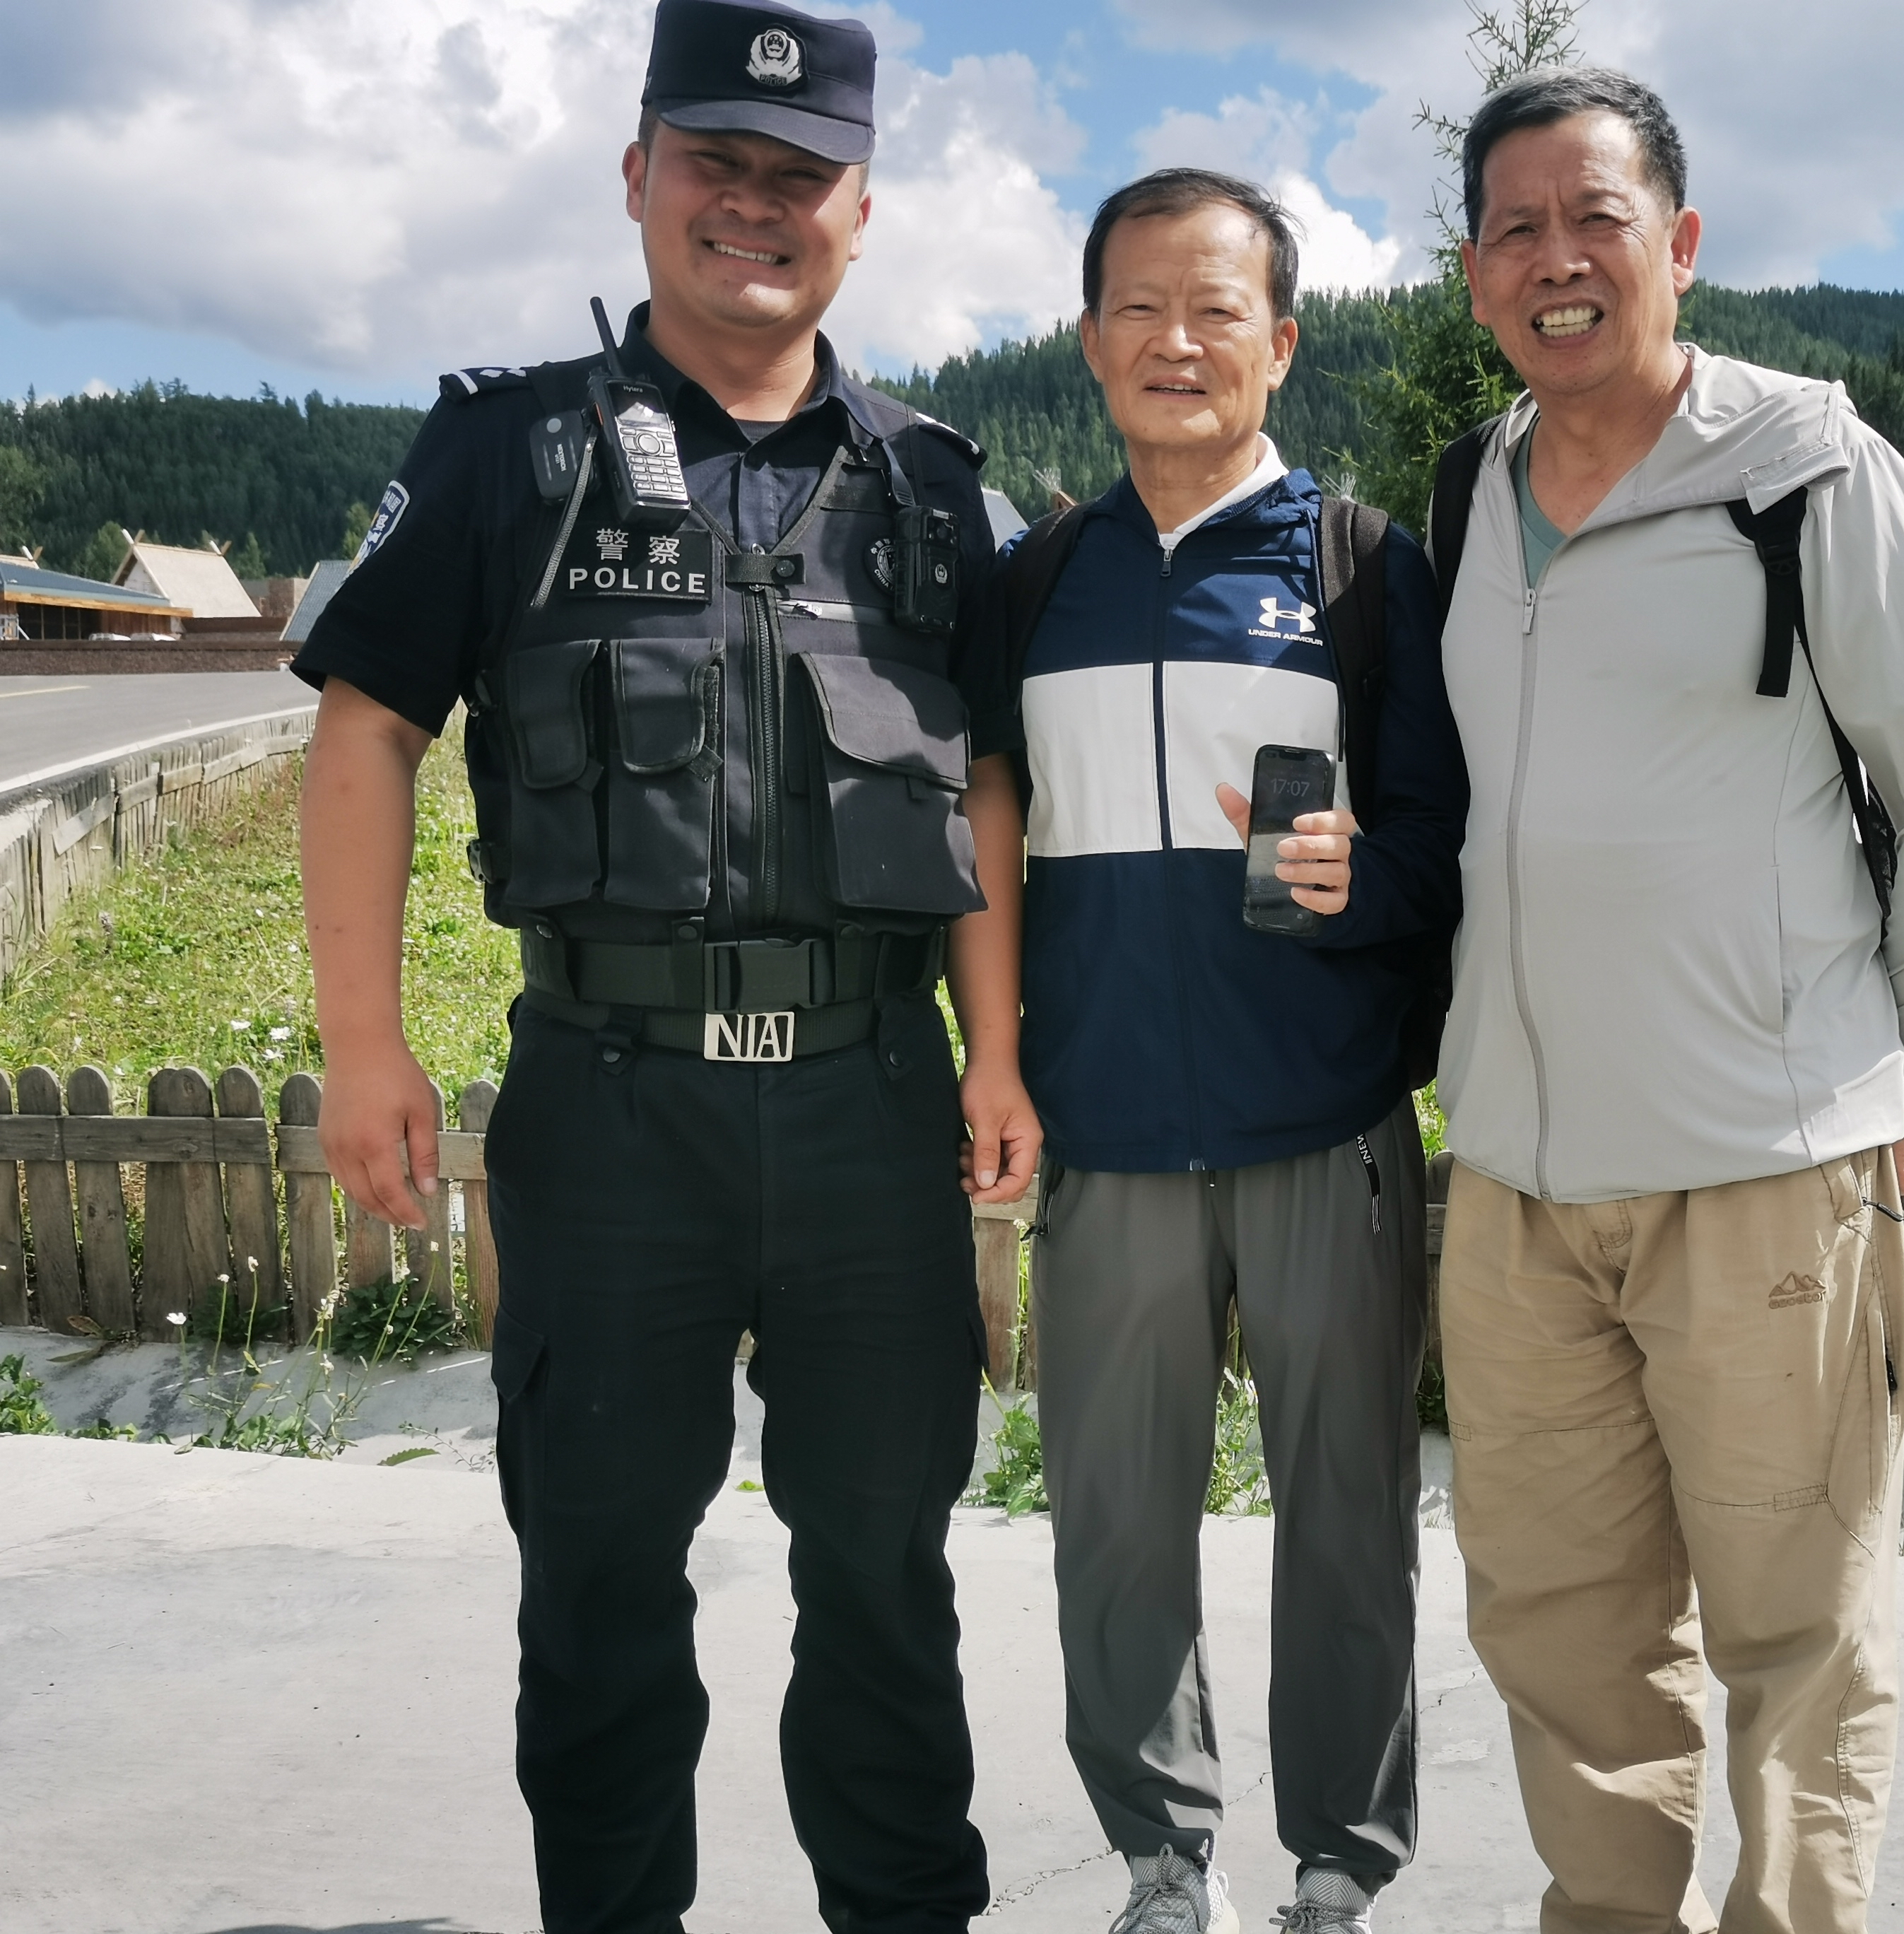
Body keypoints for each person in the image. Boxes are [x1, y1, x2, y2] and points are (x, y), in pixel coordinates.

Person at [293, 5, 1038, 1928]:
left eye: (801, 176)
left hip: (874, 1110)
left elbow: (984, 784)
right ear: (639, 177)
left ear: (861, 212)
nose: (754, 206)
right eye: (717, 163)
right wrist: (363, 1044)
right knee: (602, 1587)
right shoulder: (509, 453)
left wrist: (995, 1048)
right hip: (610, 1114)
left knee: (885, 1583)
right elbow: (368, 722)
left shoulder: (936, 490)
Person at [1429, 69, 1904, 1934]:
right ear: (1475, 272)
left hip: (1765, 1173)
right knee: (1563, 1636)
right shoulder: (1466, 493)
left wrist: (1900, 1074)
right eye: (1515, 228)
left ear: (1678, 243)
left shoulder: (1807, 471)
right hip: (1520, 1185)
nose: (1556, 259)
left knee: (1796, 1642)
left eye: (1594, 218)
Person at [1000, 169, 1468, 1934]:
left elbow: (1443, 844)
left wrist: (1363, 880)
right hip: (1107, 1126)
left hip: (1325, 1125)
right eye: (1139, 307)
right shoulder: (1037, 581)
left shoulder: (1364, 569)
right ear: (1090, 339)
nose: (1176, 343)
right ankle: (1157, 1857)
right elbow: (985, 828)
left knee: (1346, 1514)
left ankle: (1340, 1864)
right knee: (1114, 1522)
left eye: (1216, 311)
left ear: (1280, 342)